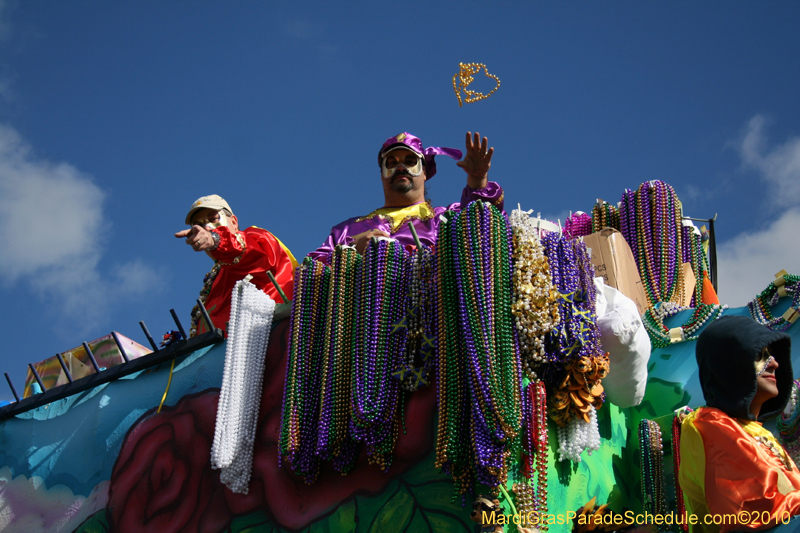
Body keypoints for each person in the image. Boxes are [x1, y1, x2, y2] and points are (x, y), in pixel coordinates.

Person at [679, 315, 799, 532]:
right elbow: (756, 508)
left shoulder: (757, 432)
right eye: (760, 356)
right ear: (731, 365)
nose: (774, 363)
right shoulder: (709, 424)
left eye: (771, 355)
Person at [307, 131, 503, 262]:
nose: (401, 167)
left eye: (410, 161)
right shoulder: (347, 230)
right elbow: (310, 272)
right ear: (382, 173)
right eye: (391, 163)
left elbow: (483, 228)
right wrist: (351, 252)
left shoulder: (446, 219)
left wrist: (478, 180)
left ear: (425, 172)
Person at [175, 194, 297, 337]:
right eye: (199, 225)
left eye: (213, 219)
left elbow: (256, 258)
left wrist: (217, 240)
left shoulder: (257, 238)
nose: (206, 227)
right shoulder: (216, 274)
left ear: (233, 221)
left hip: (268, 343)